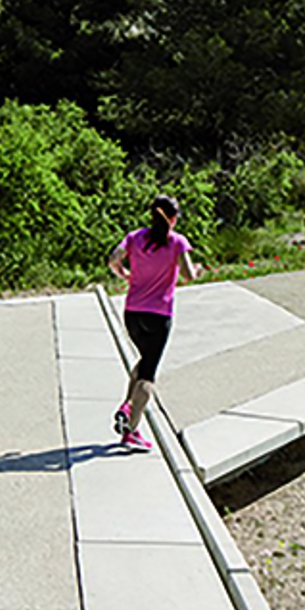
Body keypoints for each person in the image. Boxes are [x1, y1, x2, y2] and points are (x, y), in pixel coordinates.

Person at [108, 194, 200, 453]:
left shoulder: (135, 237)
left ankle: (127, 406)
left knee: (145, 359)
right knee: (148, 375)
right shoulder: (177, 242)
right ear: (174, 218)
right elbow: (189, 275)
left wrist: (124, 274)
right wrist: (196, 271)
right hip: (159, 316)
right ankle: (131, 430)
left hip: (132, 313)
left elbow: (113, 259)